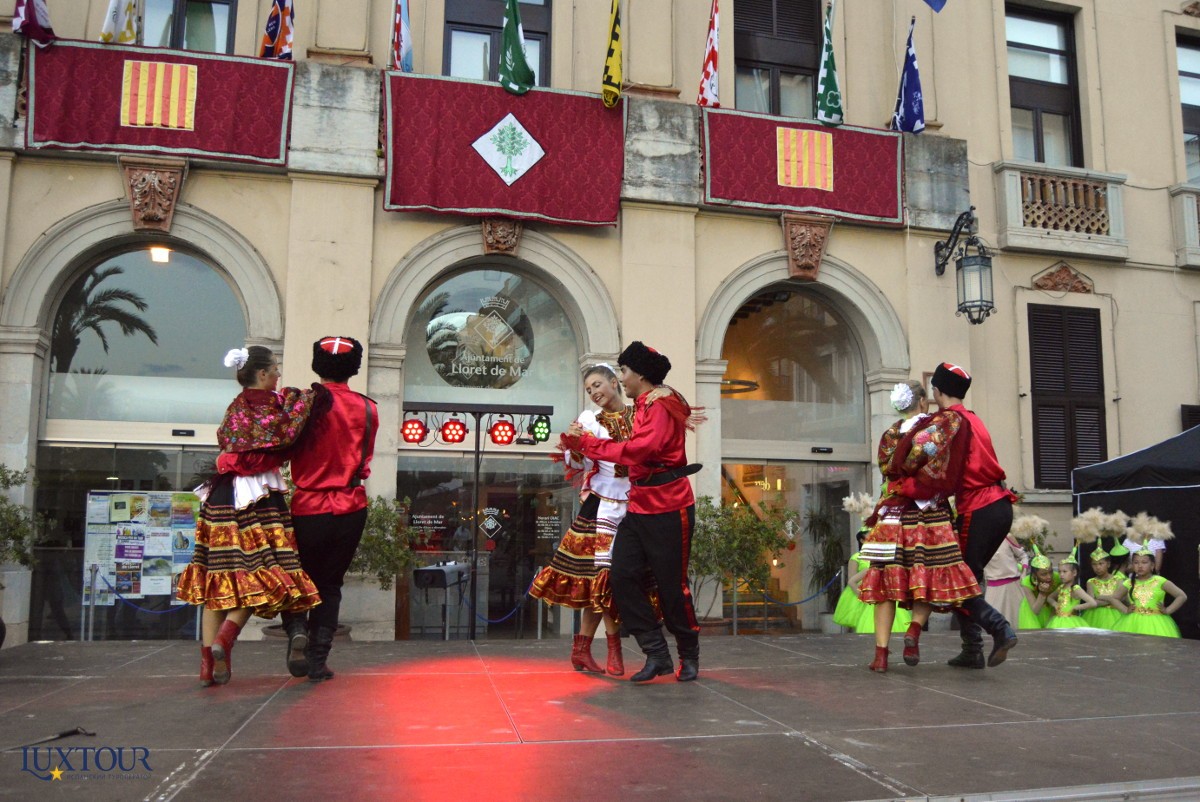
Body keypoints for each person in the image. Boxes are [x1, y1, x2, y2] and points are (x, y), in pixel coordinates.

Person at [176, 346, 321, 686]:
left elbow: (227, 445)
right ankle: (225, 639)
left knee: (217, 579)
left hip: (220, 496)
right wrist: (308, 395)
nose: (279, 374)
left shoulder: (234, 408)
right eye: (275, 369)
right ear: (262, 374)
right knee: (263, 573)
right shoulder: (272, 407)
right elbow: (288, 431)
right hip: (258, 497)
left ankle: (207, 667)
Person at [560, 342, 701, 683]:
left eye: (623, 371)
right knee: (620, 576)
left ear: (639, 374)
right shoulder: (643, 404)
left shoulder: (661, 404)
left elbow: (640, 450)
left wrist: (587, 444)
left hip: (670, 505)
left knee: (671, 587)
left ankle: (688, 654)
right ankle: (656, 653)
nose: (621, 378)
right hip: (637, 505)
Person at [529, 363, 668, 676]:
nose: (593, 392)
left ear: (614, 382)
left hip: (636, 502)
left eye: (597, 385)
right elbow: (577, 462)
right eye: (589, 389)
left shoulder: (641, 414)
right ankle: (612, 649)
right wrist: (574, 443)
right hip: (602, 504)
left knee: (615, 580)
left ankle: (583, 650)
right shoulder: (589, 420)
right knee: (603, 579)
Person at [890, 363, 1020, 669]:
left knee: (954, 578)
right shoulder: (973, 418)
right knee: (969, 576)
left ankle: (999, 629)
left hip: (978, 506)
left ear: (937, 391)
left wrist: (900, 473)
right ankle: (972, 650)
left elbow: (915, 457)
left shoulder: (948, 421)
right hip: (999, 504)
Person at [858, 380, 981, 672]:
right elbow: (940, 465)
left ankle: (881, 654)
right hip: (928, 515)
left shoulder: (890, 435)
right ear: (923, 401)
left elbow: (887, 470)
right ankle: (914, 629)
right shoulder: (934, 428)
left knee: (884, 583)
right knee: (927, 574)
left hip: (893, 515)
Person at [279, 336, 378, 682]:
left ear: (317, 365)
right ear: (354, 368)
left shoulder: (302, 404)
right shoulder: (369, 408)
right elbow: (364, 461)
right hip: (351, 506)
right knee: (331, 585)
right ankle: (318, 661)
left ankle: (296, 630)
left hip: (308, 506)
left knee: (299, 576)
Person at [1113, 546, 1188, 638]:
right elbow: (1114, 598)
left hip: (1156, 622)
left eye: (1144, 562)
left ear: (1152, 565)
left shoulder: (1160, 581)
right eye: (1136, 562)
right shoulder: (1129, 582)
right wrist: (1125, 609)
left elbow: (1181, 596)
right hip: (1133, 621)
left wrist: (1168, 610)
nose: (1140, 566)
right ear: (1132, 565)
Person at [1045, 549, 1096, 629]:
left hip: (1071, 621)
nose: (1061, 574)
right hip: (1057, 620)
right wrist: (1055, 604)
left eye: (1064, 571)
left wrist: (1076, 607)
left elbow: (1092, 603)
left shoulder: (1076, 588)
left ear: (1074, 573)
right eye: (1059, 571)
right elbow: (1049, 598)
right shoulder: (1061, 587)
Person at [983, 534, 1027, 628]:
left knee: (1018, 622)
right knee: (991, 625)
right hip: (992, 589)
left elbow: (1023, 556)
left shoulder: (1007, 536)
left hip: (1013, 588)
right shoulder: (977, 541)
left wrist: (1024, 573)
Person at [1083, 542, 1126, 630]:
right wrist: (1112, 599)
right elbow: (1092, 603)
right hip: (1096, 616)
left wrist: (1101, 598)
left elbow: (1121, 599)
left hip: (1116, 614)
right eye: (1094, 564)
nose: (1097, 567)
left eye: (1101, 563)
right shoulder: (1091, 582)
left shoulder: (1118, 579)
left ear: (1108, 564)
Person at [1016, 544, 1056, 630]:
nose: (1049, 576)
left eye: (1051, 572)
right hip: (1032, 611)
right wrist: (1042, 594)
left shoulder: (1057, 578)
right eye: (1044, 574)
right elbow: (1035, 611)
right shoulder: (1027, 582)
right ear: (1035, 575)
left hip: (1050, 610)